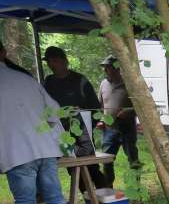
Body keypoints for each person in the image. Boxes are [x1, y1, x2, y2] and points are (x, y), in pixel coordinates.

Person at [0, 62, 85, 204]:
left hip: (16, 151)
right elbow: (54, 111)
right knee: (55, 196)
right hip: (45, 147)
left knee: (24, 202)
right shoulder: (26, 80)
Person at [43, 46, 104, 188]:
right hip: (61, 134)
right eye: (49, 62)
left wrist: (86, 126)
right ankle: (90, 201)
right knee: (73, 170)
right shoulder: (48, 82)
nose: (52, 65)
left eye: (55, 61)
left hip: (83, 135)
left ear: (65, 61)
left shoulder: (80, 80)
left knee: (92, 169)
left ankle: (106, 200)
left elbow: (96, 110)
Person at [97, 54, 139, 186]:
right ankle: (108, 186)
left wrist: (129, 111)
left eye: (108, 67)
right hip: (109, 128)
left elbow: (140, 105)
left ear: (117, 68)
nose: (105, 70)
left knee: (133, 158)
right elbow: (100, 105)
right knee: (107, 160)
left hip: (127, 128)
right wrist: (100, 120)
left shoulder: (129, 83)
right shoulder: (103, 84)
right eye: (105, 67)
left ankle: (136, 187)